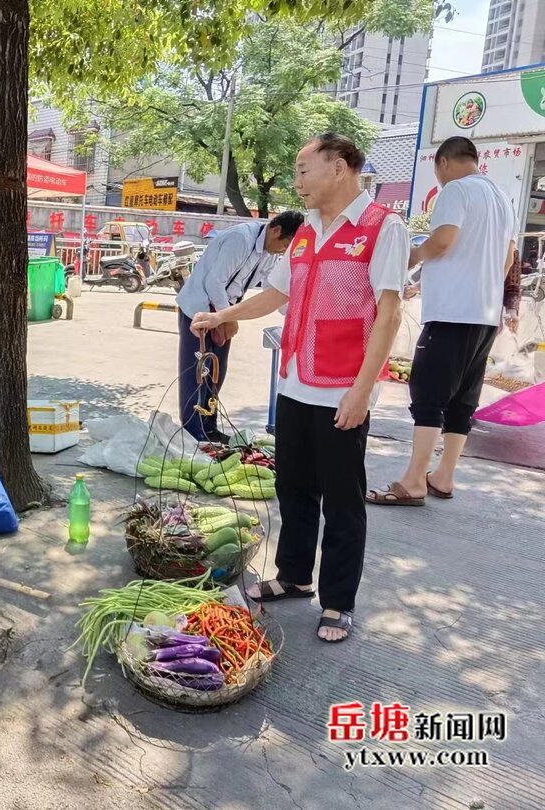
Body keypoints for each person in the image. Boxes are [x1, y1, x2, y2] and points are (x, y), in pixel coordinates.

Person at [192, 133, 408, 643]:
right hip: (295, 380)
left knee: (342, 499)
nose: (297, 181)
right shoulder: (306, 231)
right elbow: (275, 293)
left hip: (341, 388)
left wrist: (361, 391)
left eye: (303, 169)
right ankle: (293, 575)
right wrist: (223, 313)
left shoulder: (382, 228)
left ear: (339, 167)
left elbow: (390, 314)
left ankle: (338, 602)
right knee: (294, 488)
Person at [368, 136, 516, 506]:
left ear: (444, 163)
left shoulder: (455, 190)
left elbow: (443, 241)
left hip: (452, 313)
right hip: (484, 315)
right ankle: (444, 477)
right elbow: (508, 259)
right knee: (463, 399)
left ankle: (414, 480)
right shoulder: (501, 198)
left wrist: (410, 258)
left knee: (429, 394)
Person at [176, 211, 304, 442]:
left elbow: (271, 288)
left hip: (225, 309)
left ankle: (209, 426)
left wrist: (294, 311)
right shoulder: (241, 239)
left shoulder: (268, 252)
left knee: (216, 373)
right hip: (200, 309)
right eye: (285, 244)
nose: (283, 251)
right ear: (276, 230)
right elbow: (214, 282)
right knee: (198, 371)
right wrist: (229, 318)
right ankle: (192, 431)